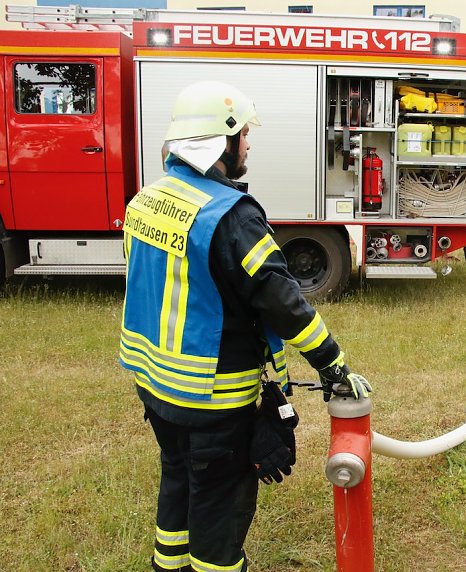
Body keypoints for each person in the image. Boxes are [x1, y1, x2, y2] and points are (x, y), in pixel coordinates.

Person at [119, 81, 371, 572]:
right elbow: (284, 303)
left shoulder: (146, 200)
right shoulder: (231, 216)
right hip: (212, 397)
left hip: (157, 388)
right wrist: (333, 365)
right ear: (222, 143)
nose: (249, 145)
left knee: (177, 484)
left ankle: (167, 565)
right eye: (244, 136)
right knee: (219, 508)